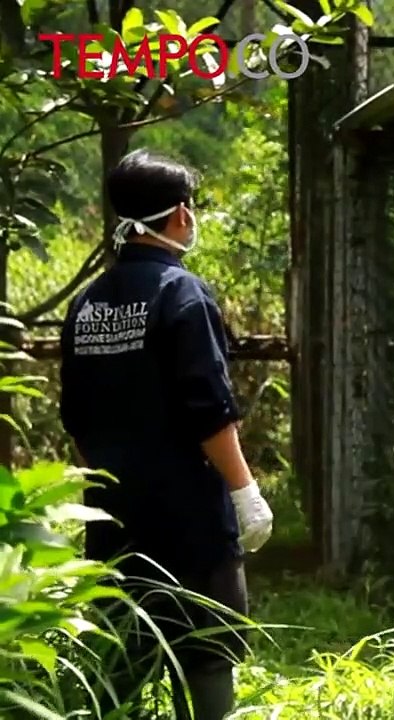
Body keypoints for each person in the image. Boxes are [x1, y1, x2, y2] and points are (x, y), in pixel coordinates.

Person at [58, 150, 273, 719]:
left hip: (113, 519)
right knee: (207, 658)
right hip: (190, 525)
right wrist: (246, 494)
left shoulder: (85, 304)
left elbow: (77, 420)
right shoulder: (183, 294)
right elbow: (209, 413)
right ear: (180, 214)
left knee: (122, 660)